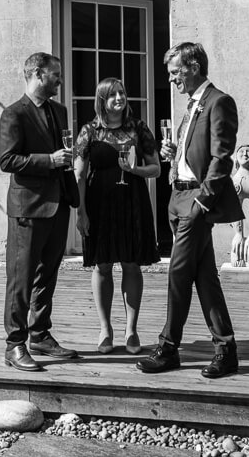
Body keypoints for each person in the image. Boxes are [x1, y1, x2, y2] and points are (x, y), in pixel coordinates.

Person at [137, 42, 243, 379]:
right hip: (178, 197)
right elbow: (192, 153)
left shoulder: (219, 102)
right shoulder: (192, 105)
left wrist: (202, 201)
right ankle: (226, 350)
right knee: (205, 278)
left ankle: (168, 348)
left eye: (174, 72)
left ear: (193, 66)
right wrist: (174, 152)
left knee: (178, 275)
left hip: (197, 201)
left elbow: (222, 157)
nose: (170, 80)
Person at [0, 52, 81, 372]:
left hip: (58, 205)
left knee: (48, 274)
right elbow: (7, 161)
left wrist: (74, 200)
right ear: (36, 74)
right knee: (21, 279)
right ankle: (14, 344)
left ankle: (40, 334)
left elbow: (66, 157)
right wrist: (50, 160)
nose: (60, 79)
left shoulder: (59, 111)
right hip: (28, 209)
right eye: (55, 74)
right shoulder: (13, 114)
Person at [73, 78, 161, 356]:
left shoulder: (139, 128)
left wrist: (134, 170)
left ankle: (131, 329)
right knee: (102, 266)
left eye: (122, 92)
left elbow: (156, 169)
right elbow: (79, 175)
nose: (119, 98)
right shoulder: (89, 131)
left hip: (133, 203)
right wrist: (81, 212)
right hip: (99, 205)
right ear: (102, 100)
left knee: (132, 265)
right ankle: (105, 328)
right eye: (112, 95)